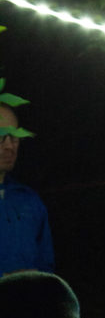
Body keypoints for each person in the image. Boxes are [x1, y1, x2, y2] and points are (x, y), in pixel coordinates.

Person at [0, 103, 54, 275]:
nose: (10, 146)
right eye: (1, 136)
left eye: (14, 137)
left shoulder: (30, 200)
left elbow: (46, 265)